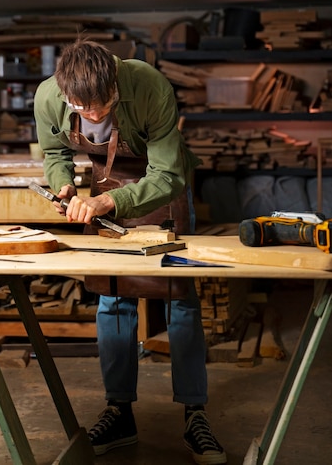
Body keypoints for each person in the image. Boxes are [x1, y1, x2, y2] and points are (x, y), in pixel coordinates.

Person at [34, 38, 227, 465]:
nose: (96, 116)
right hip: (107, 182)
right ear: (65, 94)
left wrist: (108, 204)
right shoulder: (48, 96)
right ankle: (119, 411)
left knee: (181, 296)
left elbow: (167, 174)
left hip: (159, 180)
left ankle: (195, 414)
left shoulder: (150, 85)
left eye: (103, 105)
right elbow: (54, 153)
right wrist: (63, 183)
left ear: (115, 82)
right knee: (112, 295)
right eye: (83, 110)